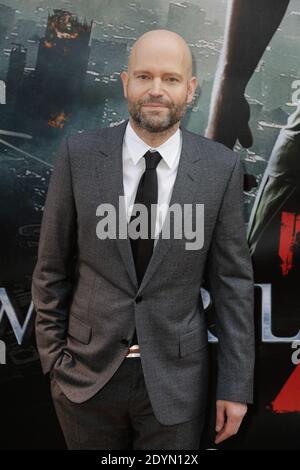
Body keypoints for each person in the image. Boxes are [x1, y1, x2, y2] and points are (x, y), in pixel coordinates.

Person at [31, 29, 254, 450]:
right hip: (84, 381)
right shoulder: (78, 155)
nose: (156, 90)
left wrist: (236, 386)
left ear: (190, 90)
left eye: (170, 79)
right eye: (144, 76)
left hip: (177, 384)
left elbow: (233, 285)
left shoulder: (221, 168)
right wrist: (55, 364)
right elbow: (50, 270)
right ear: (124, 82)